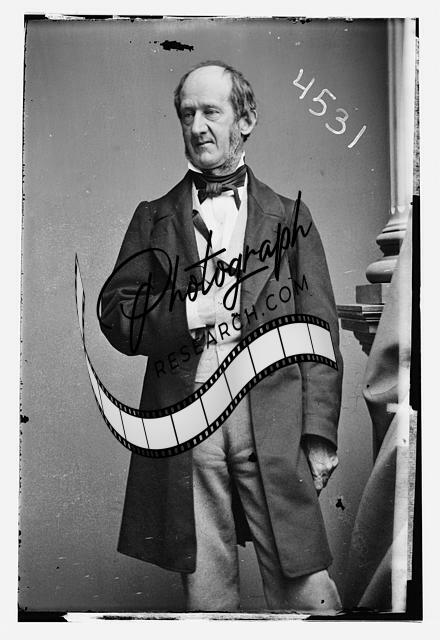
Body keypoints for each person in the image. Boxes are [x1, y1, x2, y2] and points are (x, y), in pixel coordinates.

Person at [98, 60, 343, 613]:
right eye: (188, 115)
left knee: (305, 584)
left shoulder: (289, 217)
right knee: (206, 586)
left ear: (245, 120)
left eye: (211, 112)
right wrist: (186, 312)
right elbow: (115, 312)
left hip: (272, 418)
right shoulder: (154, 217)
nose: (197, 126)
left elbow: (320, 333)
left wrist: (320, 433)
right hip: (189, 418)